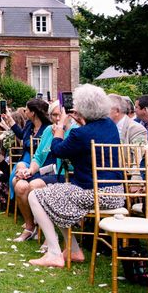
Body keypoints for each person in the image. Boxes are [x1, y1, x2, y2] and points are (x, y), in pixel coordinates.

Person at [28, 84, 124, 268]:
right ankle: (73, 250)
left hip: (92, 193)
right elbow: (91, 135)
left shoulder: (80, 134)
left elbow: (57, 150)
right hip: (116, 193)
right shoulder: (110, 126)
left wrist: (60, 130)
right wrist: (80, 123)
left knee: (36, 196)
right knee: (56, 196)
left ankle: (54, 253)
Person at [12, 101, 68, 242]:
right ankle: (29, 227)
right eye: (54, 115)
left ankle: (45, 231)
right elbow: (38, 156)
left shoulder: (72, 131)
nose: (57, 118)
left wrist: (60, 133)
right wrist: (29, 170)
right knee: (19, 183)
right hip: (42, 172)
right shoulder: (48, 130)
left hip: (61, 174)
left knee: (34, 185)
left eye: (60, 115)